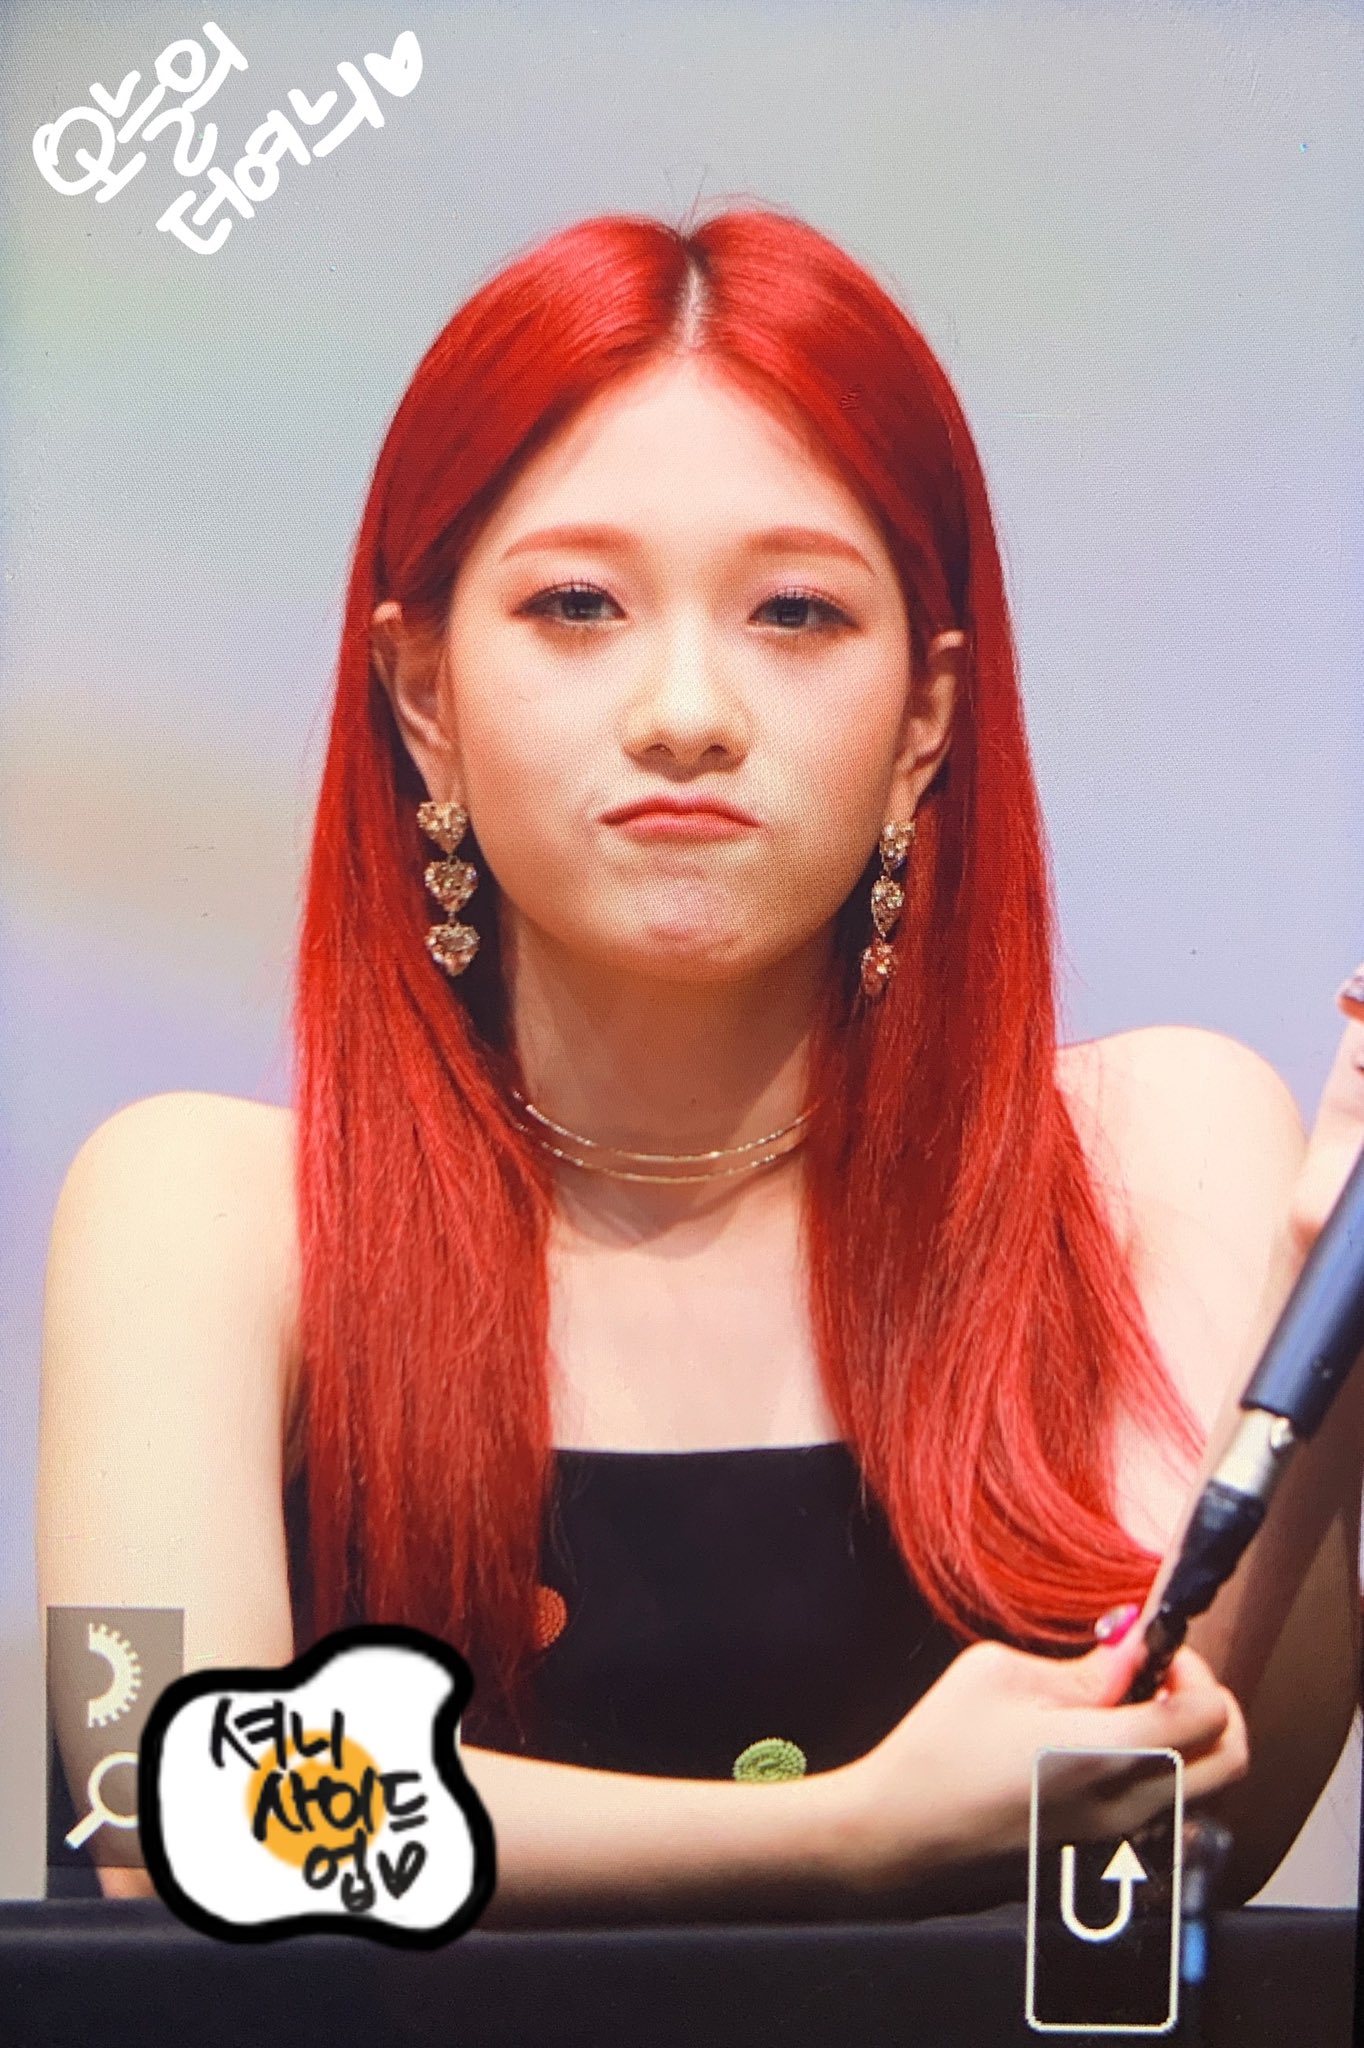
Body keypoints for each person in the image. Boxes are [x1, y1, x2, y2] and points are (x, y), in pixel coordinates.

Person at [36, 205, 1364, 1924]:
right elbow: (156, 1812)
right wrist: (847, 1832)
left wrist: (1326, 1339)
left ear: (927, 718)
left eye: (795, 612)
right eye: (577, 605)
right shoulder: (206, 1211)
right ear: (422, 696)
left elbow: (1150, 1829)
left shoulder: (1148, 1155)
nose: (685, 710)